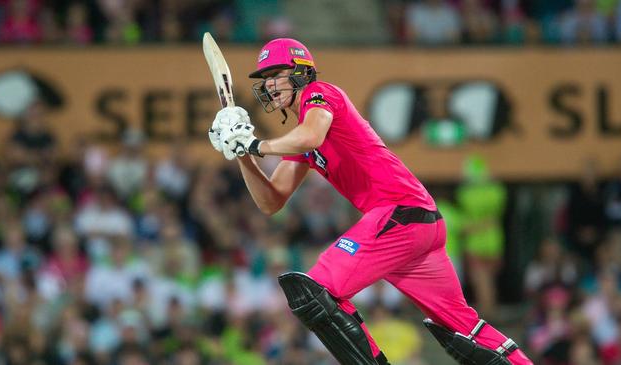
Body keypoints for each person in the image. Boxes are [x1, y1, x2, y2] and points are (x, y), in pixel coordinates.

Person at [208, 38, 533, 365]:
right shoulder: (300, 134)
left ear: (302, 73)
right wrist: (240, 154)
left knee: (316, 291)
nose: (269, 84)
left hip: (399, 214)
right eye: (264, 78)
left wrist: (255, 144)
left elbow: (311, 136)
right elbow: (271, 201)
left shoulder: (321, 94)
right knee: (463, 326)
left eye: (276, 73)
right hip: (419, 224)